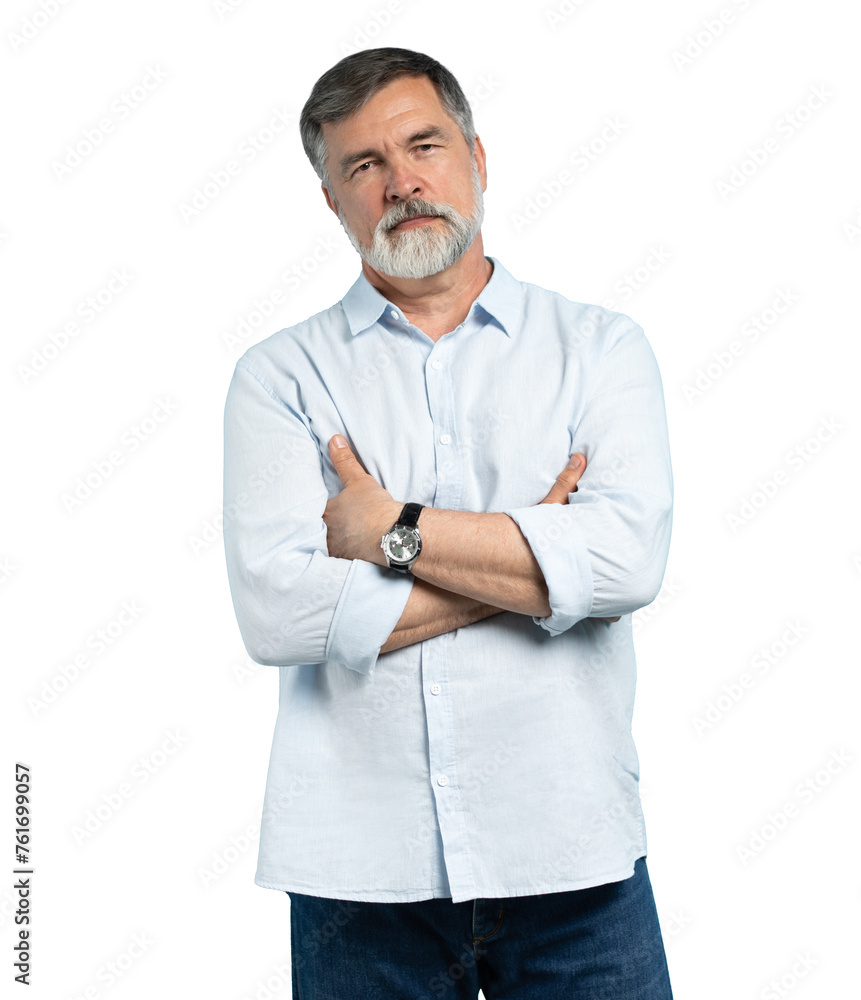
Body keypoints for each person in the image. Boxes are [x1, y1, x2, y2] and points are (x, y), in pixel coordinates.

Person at [223, 47, 675, 1000]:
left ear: (475, 154)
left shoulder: (599, 349)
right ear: (332, 201)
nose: (402, 183)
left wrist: (393, 531)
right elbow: (280, 617)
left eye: (422, 145)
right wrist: (539, 554)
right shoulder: (280, 378)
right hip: (358, 875)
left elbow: (627, 562)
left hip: (575, 857)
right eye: (363, 166)